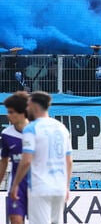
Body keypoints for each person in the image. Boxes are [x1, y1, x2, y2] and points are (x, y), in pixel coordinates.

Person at [10, 92, 72, 224]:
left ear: (33, 106)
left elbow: (26, 161)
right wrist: (66, 187)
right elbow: (69, 161)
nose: (26, 109)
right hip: (59, 187)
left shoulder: (31, 128)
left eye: (28, 105)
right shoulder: (61, 128)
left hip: (40, 187)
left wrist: (15, 185)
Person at [0, 92, 29, 224]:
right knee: (16, 220)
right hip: (16, 186)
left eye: (11, 112)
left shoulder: (38, 131)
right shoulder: (6, 134)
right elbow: (4, 162)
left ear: (22, 112)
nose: (8, 115)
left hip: (38, 185)